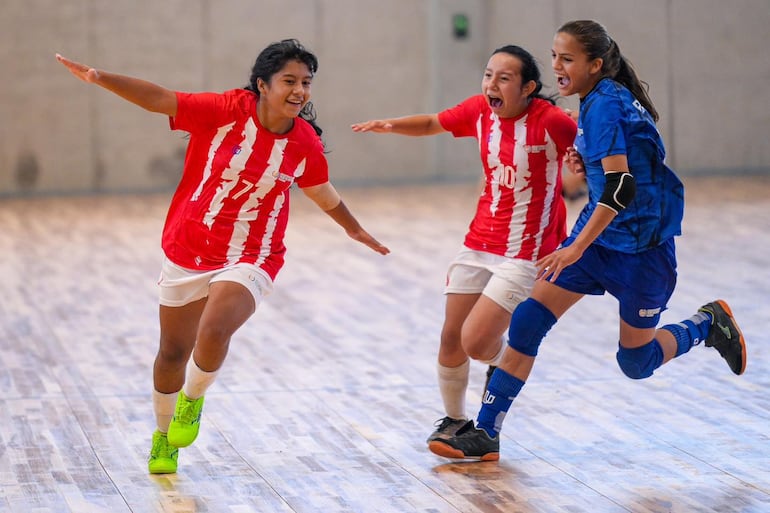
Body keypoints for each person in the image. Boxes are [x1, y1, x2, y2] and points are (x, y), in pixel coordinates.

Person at [56, 39, 390, 474]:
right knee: (172, 352)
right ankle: (162, 439)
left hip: (254, 252)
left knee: (214, 329)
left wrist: (354, 228)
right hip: (188, 245)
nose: (300, 90)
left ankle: (191, 404)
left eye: (306, 82)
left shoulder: (303, 142)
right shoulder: (225, 110)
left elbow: (321, 191)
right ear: (262, 85)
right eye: (289, 81)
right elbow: (160, 99)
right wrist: (101, 78)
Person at [428, 20, 747, 461]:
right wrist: (585, 162)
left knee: (635, 363)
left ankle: (707, 324)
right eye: (554, 56)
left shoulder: (605, 106)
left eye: (568, 59)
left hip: (642, 248)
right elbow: (616, 167)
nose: (557, 66)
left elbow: (622, 188)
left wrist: (575, 245)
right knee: (527, 322)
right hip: (598, 238)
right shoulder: (598, 99)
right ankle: (485, 432)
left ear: (595, 64)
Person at [352, 45, 577, 445]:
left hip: (524, 252)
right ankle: (454, 420)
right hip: (478, 241)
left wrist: (580, 166)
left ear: (527, 87)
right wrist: (391, 125)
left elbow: (595, 151)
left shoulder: (551, 121)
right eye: (488, 75)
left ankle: (510, 361)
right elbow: (431, 123)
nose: (491, 84)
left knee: (476, 343)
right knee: (451, 337)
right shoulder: (479, 110)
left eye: (503, 78)